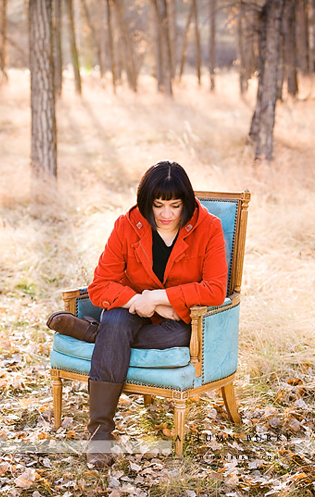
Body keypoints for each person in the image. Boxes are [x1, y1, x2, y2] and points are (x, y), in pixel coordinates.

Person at [47, 160, 228, 467]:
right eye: (158, 205)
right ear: (147, 203)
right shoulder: (127, 225)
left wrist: (159, 298)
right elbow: (101, 285)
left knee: (177, 332)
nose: (167, 214)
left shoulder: (208, 227)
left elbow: (215, 289)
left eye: (175, 205)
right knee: (116, 321)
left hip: (178, 320)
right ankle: (100, 433)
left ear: (186, 201)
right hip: (129, 309)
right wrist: (139, 300)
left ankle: (95, 333)